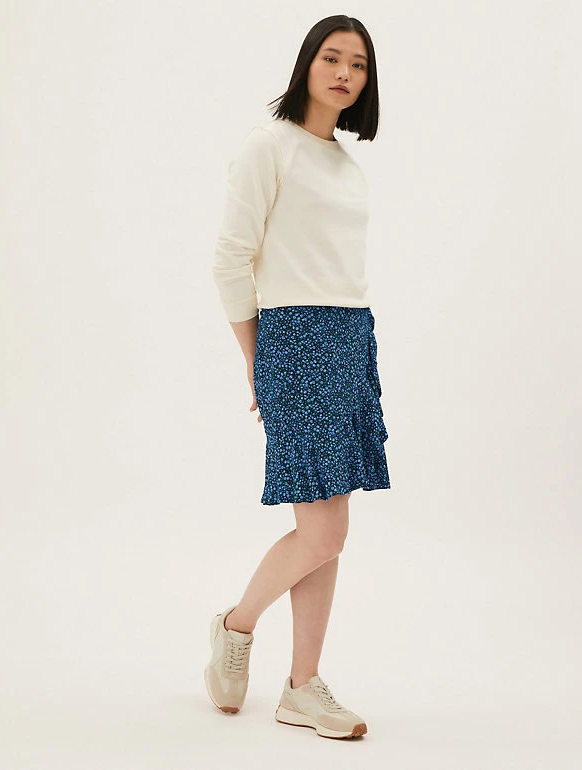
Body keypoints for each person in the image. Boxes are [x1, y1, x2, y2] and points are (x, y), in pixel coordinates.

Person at [205, 15, 391, 740]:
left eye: (359, 64)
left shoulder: (346, 163)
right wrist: (258, 357)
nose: (344, 73)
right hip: (293, 338)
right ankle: (237, 625)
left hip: (349, 338)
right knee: (324, 530)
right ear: (307, 64)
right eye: (332, 58)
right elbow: (230, 258)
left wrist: (353, 351)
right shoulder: (269, 146)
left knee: (326, 531)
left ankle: (302, 686)